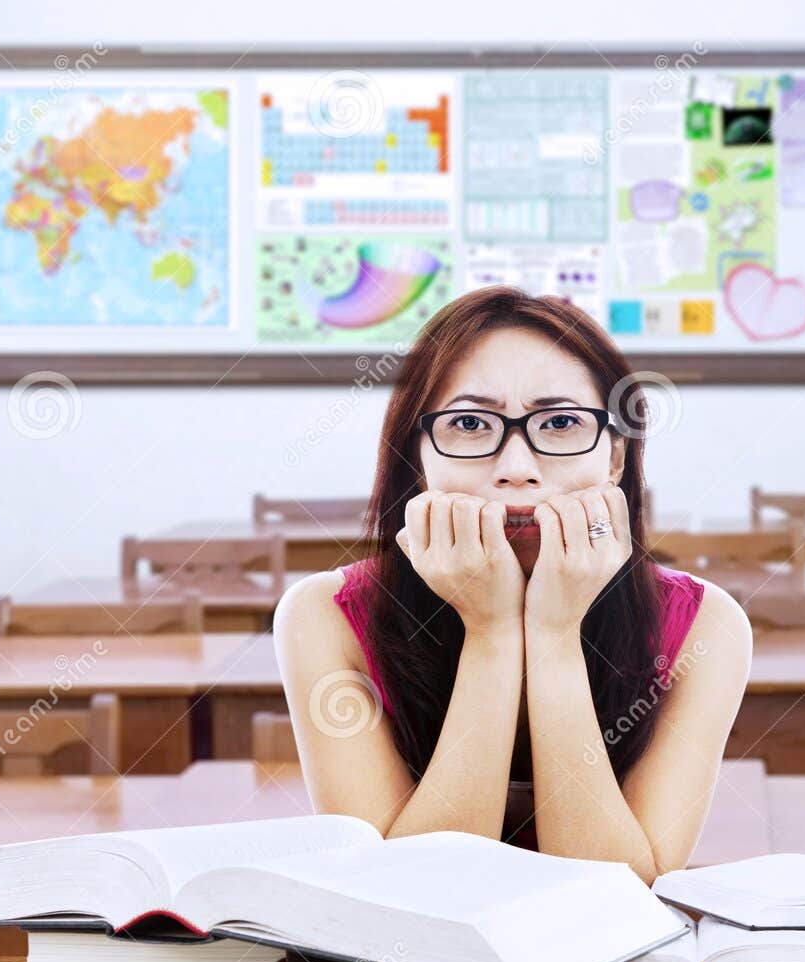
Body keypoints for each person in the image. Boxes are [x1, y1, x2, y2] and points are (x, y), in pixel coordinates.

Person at [272, 285, 752, 883]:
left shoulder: (707, 626)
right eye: (470, 423)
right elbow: (406, 896)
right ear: (418, 457)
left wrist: (554, 632)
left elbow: (615, 892)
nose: (517, 467)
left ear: (615, 459)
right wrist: (492, 629)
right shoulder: (323, 615)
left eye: (560, 422)